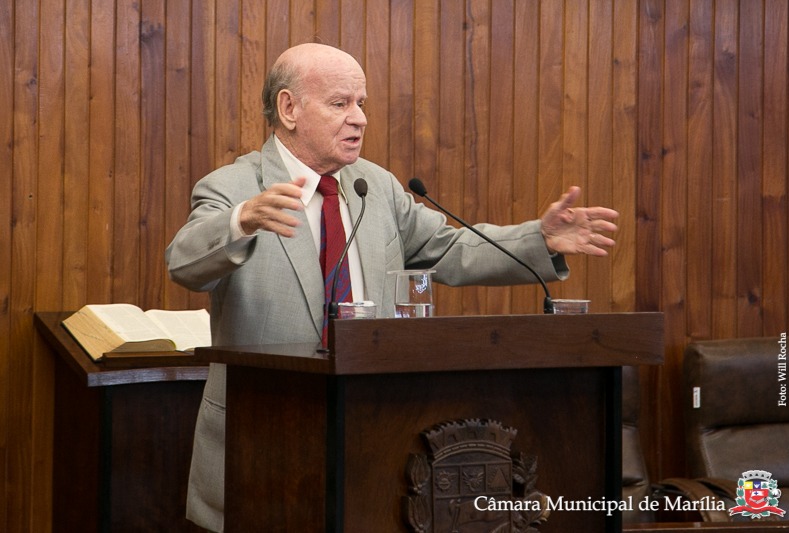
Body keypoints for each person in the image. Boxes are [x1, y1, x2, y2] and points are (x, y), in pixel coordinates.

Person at [166, 42, 618, 532]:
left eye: (362, 104)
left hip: (372, 435)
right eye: (341, 104)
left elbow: (449, 248)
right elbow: (186, 262)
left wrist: (538, 239)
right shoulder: (234, 187)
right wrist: (243, 221)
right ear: (289, 109)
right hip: (264, 441)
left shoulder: (373, 187)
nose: (359, 119)